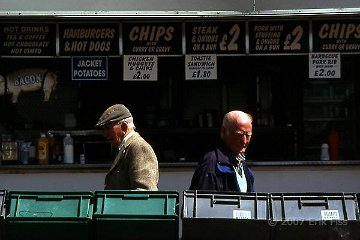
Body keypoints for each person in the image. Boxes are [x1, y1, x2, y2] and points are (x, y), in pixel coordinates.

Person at [95, 103, 159, 190]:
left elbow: (144, 193)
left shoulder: (139, 147)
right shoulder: (126, 148)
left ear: (124, 127)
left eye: (108, 128)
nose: (105, 134)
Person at [189, 110, 254, 192]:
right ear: (223, 132)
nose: (244, 141)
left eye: (248, 135)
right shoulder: (211, 163)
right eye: (240, 134)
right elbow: (203, 202)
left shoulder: (241, 162)